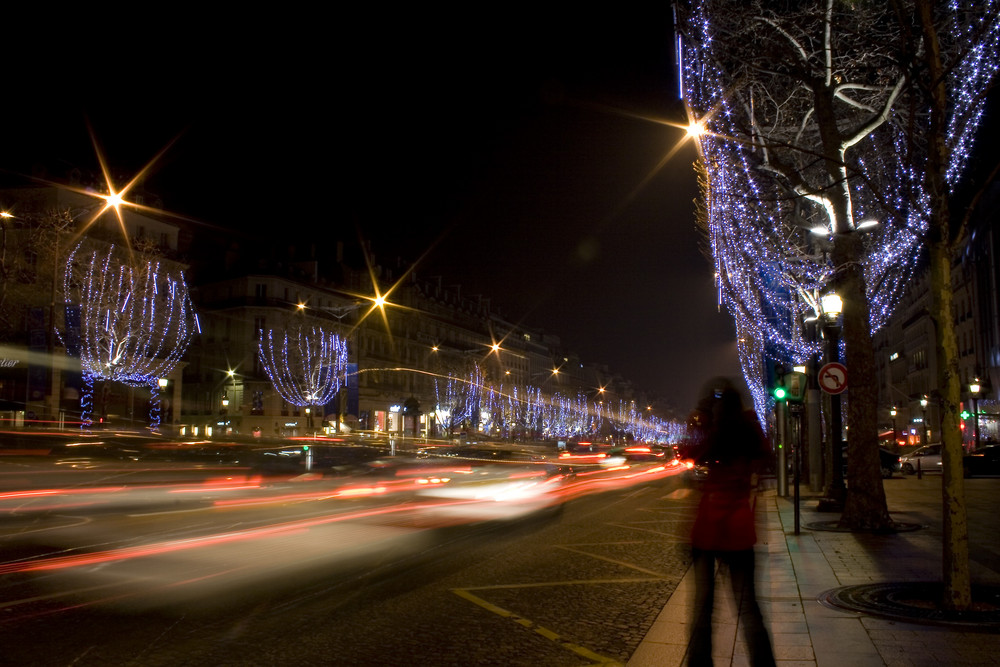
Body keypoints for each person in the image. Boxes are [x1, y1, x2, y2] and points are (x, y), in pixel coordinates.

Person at [687, 378, 775, 667]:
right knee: (748, 608)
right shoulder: (748, 427)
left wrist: (701, 415)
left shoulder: (711, 431)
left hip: (708, 530)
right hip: (738, 529)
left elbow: (689, 451)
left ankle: (701, 663)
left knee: (703, 609)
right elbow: (766, 455)